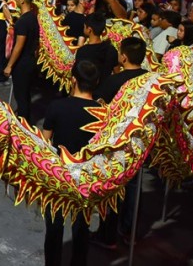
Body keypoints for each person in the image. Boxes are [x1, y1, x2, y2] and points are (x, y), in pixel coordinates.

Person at [41, 60, 101, 266]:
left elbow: (44, 142)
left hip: (59, 173)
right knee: (82, 226)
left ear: (73, 80)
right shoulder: (103, 113)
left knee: (54, 226)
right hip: (87, 176)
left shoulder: (57, 106)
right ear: (97, 82)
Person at [91, 38, 150, 248]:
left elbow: (97, 105)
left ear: (123, 56)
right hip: (142, 144)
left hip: (117, 145)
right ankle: (128, 229)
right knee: (134, 187)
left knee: (114, 188)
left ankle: (108, 235)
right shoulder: (150, 80)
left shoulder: (115, 81)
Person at [3, 0, 39, 120]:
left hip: (22, 63)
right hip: (30, 61)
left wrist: (9, 65)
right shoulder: (33, 17)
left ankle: (23, 125)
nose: (15, 0)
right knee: (25, 95)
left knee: (21, 97)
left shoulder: (24, 22)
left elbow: (19, 45)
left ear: (23, 0)